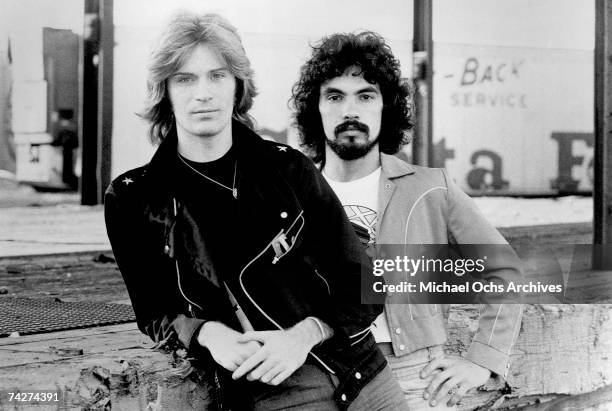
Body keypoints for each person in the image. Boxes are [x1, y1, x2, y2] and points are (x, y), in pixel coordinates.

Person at [105, 13, 408, 410]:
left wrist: (304, 335)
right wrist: (208, 333)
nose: (203, 93)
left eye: (217, 75)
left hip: (361, 370)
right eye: (185, 78)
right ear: (165, 90)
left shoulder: (288, 169)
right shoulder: (134, 197)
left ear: (237, 86)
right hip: (276, 390)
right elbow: (155, 312)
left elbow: (362, 278)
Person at [291, 31, 523, 410]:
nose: (351, 110)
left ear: (387, 108)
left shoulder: (432, 189)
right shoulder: (292, 194)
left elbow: (505, 268)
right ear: (315, 109)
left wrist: (483, 360)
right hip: (315, 372)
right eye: (334, 96)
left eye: (366, 96)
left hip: (415, 375)